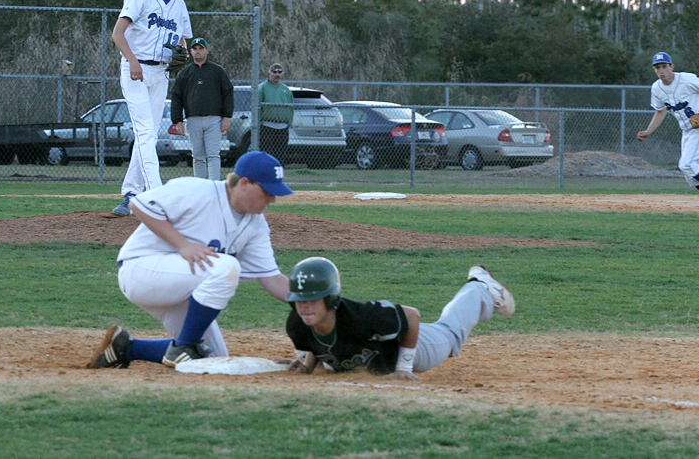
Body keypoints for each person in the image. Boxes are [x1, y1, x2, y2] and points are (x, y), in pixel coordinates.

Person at [86, 151, 293, 369]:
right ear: (243, 183)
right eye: (267, 191)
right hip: (141, 269)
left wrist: (320, 303)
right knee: (226, 267)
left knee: (212, 361)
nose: (272, 199)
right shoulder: (198, 191)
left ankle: (125, 348)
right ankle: (183, 346)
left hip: (179, 288)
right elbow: (137, 205)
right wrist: (182, 245)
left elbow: (272, 279)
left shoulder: (256, 225)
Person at [276, 257, 515, 381]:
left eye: (313, 299)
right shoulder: (297, 325)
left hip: (413, 346)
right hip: (382, 358)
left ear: (331, 300)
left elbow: (411, 316)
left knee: (451, 335)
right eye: (299, 300)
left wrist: (403, 367)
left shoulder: (362, 317)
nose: (304, 306)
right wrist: (307, 365)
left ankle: (480, 286)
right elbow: (320, 342)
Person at [111, 0, 193, 216]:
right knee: (146, 132)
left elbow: (182, 39)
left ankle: (132, 193)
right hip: (135, 69)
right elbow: (117, 33)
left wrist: (183, 51)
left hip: (161, 73)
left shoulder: (179, 3)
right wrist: (132, 61)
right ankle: (156, 196)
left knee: (147, 134)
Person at [637, 52, 699, 217]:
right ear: (654, 70)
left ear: (672, 67)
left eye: (665, 66)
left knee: (686, 165)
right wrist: (648, 131)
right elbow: (660, 111)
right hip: (688, 131)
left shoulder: (686, 79)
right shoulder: (657, 88)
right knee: (691, 176)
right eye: (658, 67)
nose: (662, 71)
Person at [169, 37, 234, 180]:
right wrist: (177, 120)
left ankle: (214, 186)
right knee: (197, 156)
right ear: (191, 51)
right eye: (195, 49)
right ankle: (200, 186)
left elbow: (228, 93)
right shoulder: (185, 73)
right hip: (193, 119)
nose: (198, 52)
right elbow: (176, 97)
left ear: (207, 51)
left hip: (214, 119)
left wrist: (227, 117)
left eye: (201, 49)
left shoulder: (217, 71)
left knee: (213, 155)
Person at [257, 63, 294, 163]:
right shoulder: (262, 88)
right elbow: (256, 108)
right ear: (269, 73)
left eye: (279, 72)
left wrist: (289, 122)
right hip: (267, 127)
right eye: (274, 72)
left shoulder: (286, 89)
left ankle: (277, 174)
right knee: (267, 154)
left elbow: (291, 107)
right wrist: (258, 123)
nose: (277, 74)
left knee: (280, 156)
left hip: (282, 128)